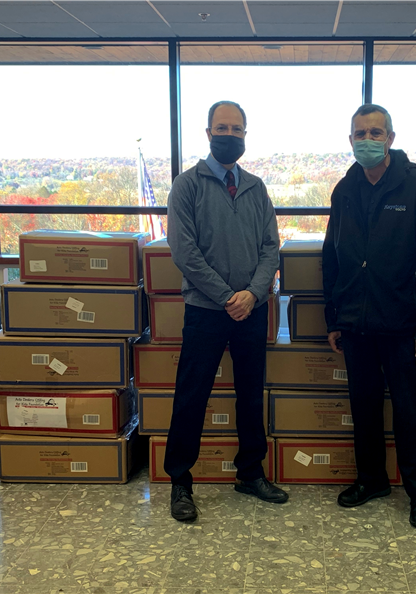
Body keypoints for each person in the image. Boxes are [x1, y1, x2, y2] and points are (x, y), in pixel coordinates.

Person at [322, 104, 416, 529]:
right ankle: (371, 480)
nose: (368, 140)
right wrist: (333, 317)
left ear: (391, 138)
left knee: (412, 413)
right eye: (360, 133)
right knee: (365, 409)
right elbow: (331, 257)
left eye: (376, 133)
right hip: (356, 324)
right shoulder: (344, 190)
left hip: (404, 326)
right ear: (350, 139)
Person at [165, 100, 288, 522]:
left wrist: (252, 295)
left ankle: (250, 473)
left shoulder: (255, 187)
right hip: (206, 310)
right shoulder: (188, 185)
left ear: (245, 135)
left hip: (251, 310)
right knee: (192, 395)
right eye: (222, 127)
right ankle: (180, 481)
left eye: (237, 129)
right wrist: (226, 297)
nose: (229, 135)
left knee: (251, 395)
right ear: (208, 132)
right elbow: (184, 252)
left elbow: (271, 247)